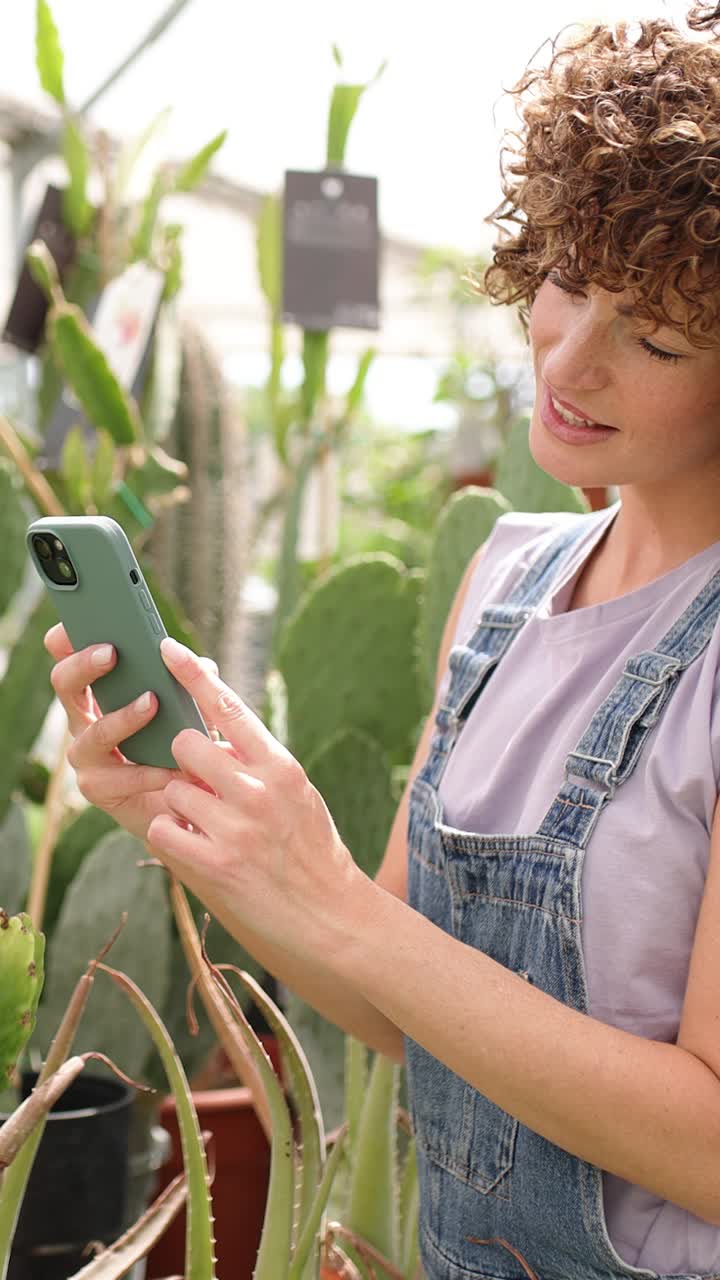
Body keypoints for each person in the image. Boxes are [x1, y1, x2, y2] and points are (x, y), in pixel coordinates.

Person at [44, 5, 720, 1277]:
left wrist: (347, 910)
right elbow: (398, 1012)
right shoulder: (505, 577)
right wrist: (206, 825)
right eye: (570, 278)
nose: (570, 359)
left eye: (658, 336)